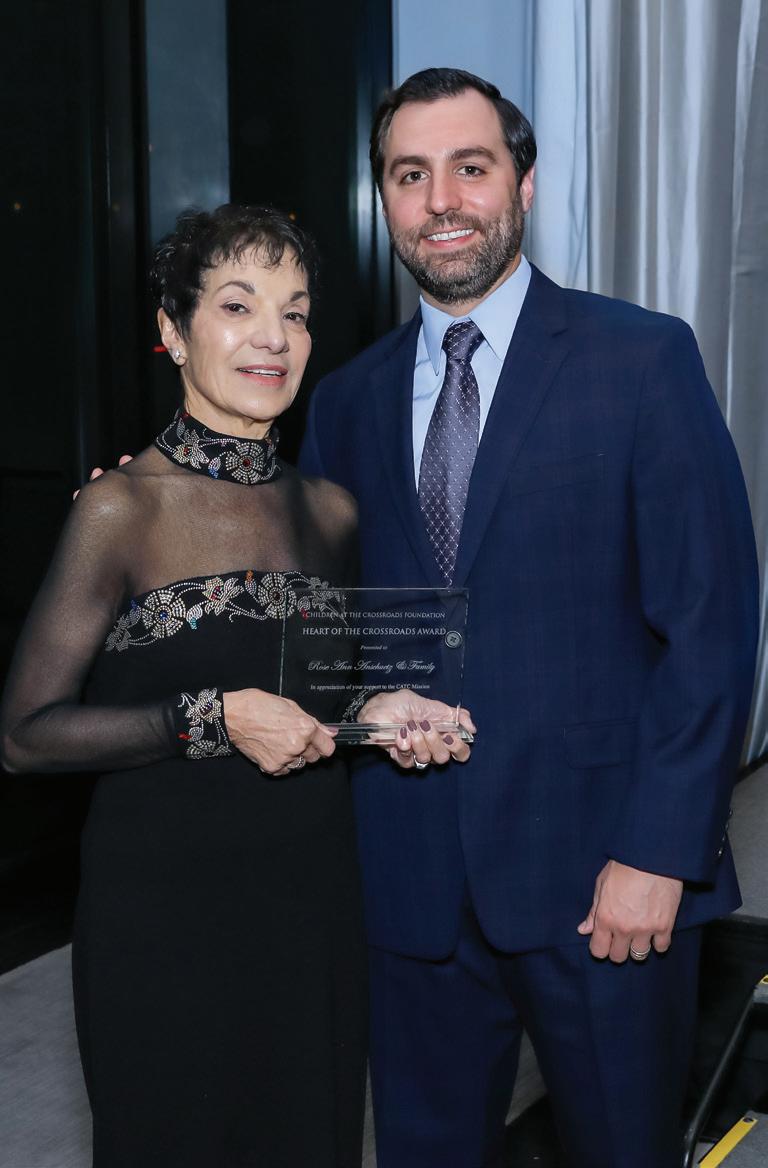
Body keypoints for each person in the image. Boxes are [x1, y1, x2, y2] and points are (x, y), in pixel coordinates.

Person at [298, 69, 760, 1168]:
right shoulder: (346, 401)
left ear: (525, 183)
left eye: (471, 167)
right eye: (410, 175)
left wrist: (659, 850)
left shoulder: (640, 359)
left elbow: (711, 624)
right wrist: (145, 508)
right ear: (384, 199)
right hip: (409, 885)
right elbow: (317, 623)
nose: (441, 200)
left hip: (603, 879)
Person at [0, 204, 470, 1168]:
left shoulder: (331, 512)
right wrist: (210, 719)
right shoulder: (119, 509)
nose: (273, 337)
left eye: (295, 313)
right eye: (238, 305)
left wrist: (378, 714)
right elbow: (27, 734)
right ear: (173, 332)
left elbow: (316, 702)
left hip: (311, 905)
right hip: (162, 915)